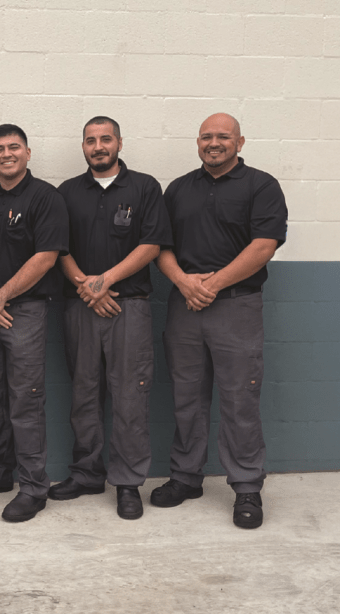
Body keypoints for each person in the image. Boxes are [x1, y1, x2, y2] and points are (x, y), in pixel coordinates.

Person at [152, 113, 287, 530]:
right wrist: (183, 282)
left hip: (236, 307)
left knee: (239, 399)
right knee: (186, 398)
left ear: (239, 142)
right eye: (207, 136)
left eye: (223, 136)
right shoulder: (178, 189)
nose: (214, 143)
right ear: (198, 142)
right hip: (185, 307)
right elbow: (159, 245)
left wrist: (211, 285)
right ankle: (185, 476)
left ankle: (246, 486)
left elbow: (263, 246)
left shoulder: (261, 186)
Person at [52, 116, 172, 520]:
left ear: (120, 143)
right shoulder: (67, 192)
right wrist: (87, 288)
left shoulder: (144, 187)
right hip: (80, 305)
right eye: (91, 140)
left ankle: (127, 482)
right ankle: (87, 473)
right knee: (83, 393)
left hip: (128, 306)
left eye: (106, 139)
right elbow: (59, 249)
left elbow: (151, 245)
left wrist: (104, 282)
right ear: (83, 146)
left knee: (129, 396)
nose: (98, 146)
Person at [0, 124, 69, 522]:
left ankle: (33, 487)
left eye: (13, 147)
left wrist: (0, 297)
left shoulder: (46, 197)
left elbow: (46, 257)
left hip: (24, 312)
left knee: (26, 399)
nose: (6, 154)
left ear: (28, 152)